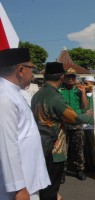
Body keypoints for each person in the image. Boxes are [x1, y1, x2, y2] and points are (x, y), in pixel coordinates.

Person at [31, 62, 93, 200]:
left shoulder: (38, 94)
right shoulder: (55, 97)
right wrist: (89, 114)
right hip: (54, 148)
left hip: (40, 144)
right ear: (61, 78)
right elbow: (74, 118)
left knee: (45, 185)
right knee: (51, 188)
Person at [0, 48, 50, 200]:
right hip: (16, 188)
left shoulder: (17, 93)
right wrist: (18, 187)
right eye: (31, 68)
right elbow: (6, 145)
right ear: (21, 70)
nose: (33, 72)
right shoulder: (4, 97)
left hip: (28, 179)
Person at [59, 68, 89, 181]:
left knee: (79, 148)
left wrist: (83, 93)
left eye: (73, 77)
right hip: (63, 124)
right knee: (63, 149)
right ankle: (62, 172)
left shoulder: (79, 90)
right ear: (64, 78)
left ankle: (79, 169)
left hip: (77, 123)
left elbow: (86, 107)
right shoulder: (59, 90)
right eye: (68, 77)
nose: (71, 79)